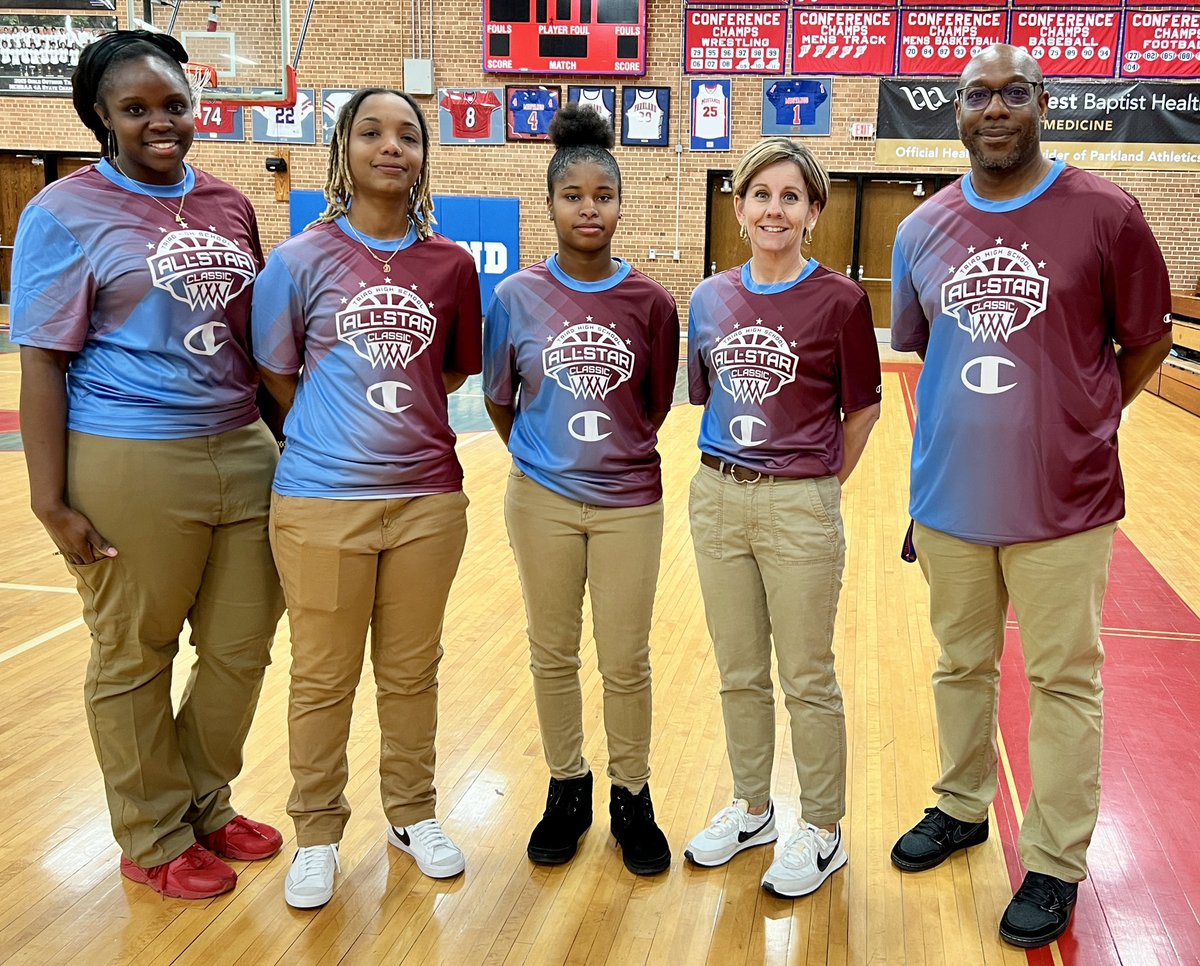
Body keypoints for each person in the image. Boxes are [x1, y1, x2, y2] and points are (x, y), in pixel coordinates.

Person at [889, 44, 1173, 949]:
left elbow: (1143, 348)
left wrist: (1081, 418)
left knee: (1063, 682)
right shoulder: (922, 228)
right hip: (951, 504)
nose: (997, 108)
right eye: (979, 94)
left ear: (1042, 102)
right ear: (956, 108)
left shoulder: (1107, 213)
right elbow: (925, 357)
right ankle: (961, 806)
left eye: (1015, 92)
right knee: (958, 667)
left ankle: (1054, 860)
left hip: (1067, 503)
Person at [11, 31, 285, 900]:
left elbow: (256, 337)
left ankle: (204, 801)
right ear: (102, 115)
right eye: (136, 109)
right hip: (127, 452)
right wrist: (48, 498)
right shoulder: (62, 211)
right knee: (134, 653)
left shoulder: (231, 205)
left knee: (242, 645)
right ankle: (153, 833)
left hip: (244, 446)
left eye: (172, 104)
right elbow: (43, 361)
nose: (160, 123)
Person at [252, 87, 482, 909]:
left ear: (425, 156)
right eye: (374, 132)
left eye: (409, 135)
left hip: (427, 500)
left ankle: (411, 814)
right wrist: (333, 429)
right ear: (342, 146)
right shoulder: (298, 260)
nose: (393, 147)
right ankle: (316, 830)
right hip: (320, 500)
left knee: (413, 671)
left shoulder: (451, 265)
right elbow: (276, 373)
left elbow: (450, 371)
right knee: (321, 677)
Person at [483, 103, 680, 875]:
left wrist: (610, 456)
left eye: (603, 195)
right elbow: (502, 398)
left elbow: (655, 399)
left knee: (626, 659)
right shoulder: (516, 298)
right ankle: (569, 785)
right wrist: (543, 459)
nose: (589, 208)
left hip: (631, 500)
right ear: (552, 202)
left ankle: (634, 793)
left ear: (621, 205)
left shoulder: (652, 304)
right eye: (574, 195)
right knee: (550, 652)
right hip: (541, 499)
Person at [683, 138, 881, 898]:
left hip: (800, 499)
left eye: (790, 196)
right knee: (738, 672)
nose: (774, 208)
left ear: (813, 213)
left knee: (806, 675)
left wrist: (818, 485)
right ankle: (754, 807)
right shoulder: (709, 297)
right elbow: (708, 396)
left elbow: (862, 411)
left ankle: (823, 828)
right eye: (760, 194)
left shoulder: (841, 301)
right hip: (717, 494)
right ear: (738, 209)